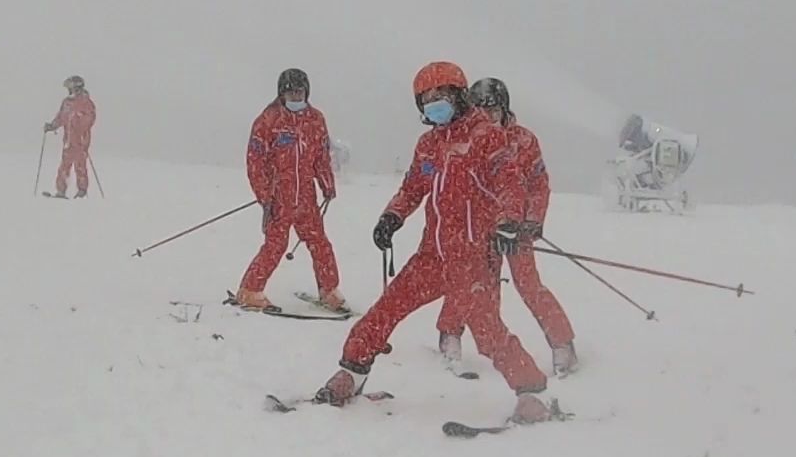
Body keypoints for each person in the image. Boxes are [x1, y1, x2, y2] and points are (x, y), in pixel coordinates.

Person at [312, 61, 553, 423]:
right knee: (384, 312)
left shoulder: (487, 136)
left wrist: (509, 221)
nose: (433, 103)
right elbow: (413, 187)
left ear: (459, 96)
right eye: (425, 99)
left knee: (488, 333)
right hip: (432, 256)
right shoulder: (428, 144)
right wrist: (392, 216)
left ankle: (531, 393)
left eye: (440, 95)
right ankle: (353, 372)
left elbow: (511, 182)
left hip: (473, 257)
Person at [435, 77, 578, 376]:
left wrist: (531, 221)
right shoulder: (466, 139)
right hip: (478, 230)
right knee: (473, 285)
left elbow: (539, 185)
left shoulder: (523, 141)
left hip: (514, 230)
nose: (487, 117)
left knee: (529, 285)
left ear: (504, 108)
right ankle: (452, 335)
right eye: (480, 110)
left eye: (493, 110)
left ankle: (562, 344)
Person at [234, 68, 344, 311]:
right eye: (290, 93)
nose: (296, 97)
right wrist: (264, 195)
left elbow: (321, 157)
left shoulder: (316, 120)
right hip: (278, 198)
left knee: (320, 243)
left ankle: (329, 290)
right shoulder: (268, 120)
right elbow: (255, 161)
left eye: (300, 92)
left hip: (306, 197)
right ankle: (250, 290)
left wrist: (327, 184)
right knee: (275, 245)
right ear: (281, 94)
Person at [43, 75, 97, 198]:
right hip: (68, 141)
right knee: (64, 166)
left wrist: (78, 121)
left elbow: (90, 119)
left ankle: (82, 191)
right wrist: (52, 126)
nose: (69, 91)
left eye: (70, 87)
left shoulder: (86, 103)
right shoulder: (67, 102)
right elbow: (61, 117)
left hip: (81, 141)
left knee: (80, 165)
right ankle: (61, 190)